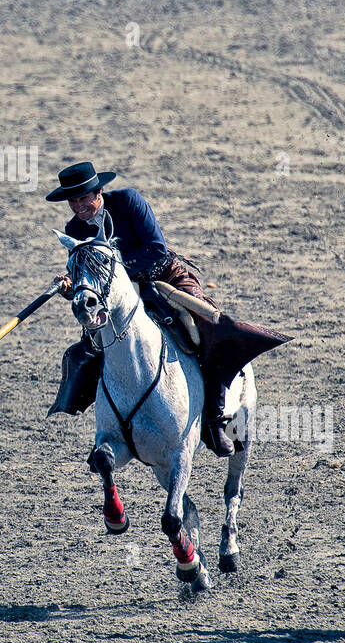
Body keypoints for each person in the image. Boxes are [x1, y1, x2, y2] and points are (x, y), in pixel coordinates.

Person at [45, 160, 237, 457]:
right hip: (119, 297)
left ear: (98, 193)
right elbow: (85, 269)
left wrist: (117, 269)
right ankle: (109, 421)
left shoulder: (129, 202)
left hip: (164, 278)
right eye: (72, 200)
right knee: (93, 345)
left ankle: (215, 419)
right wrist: (72, 284)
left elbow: (156, 249)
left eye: (83, 198)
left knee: (203, 329)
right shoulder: (74, 229)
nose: (78, 206)